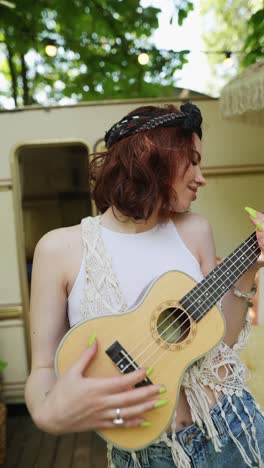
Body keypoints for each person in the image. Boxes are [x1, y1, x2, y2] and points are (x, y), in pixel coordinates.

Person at [25, 102, 264, 467]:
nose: (202, 177)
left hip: (234, 428)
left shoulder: (195, 230)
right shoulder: (58, 249)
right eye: (193, 161)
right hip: (146, 456)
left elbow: (220, 341)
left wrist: (250, 268)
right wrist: (48, 414)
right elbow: (43, 369)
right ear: (153, 158)